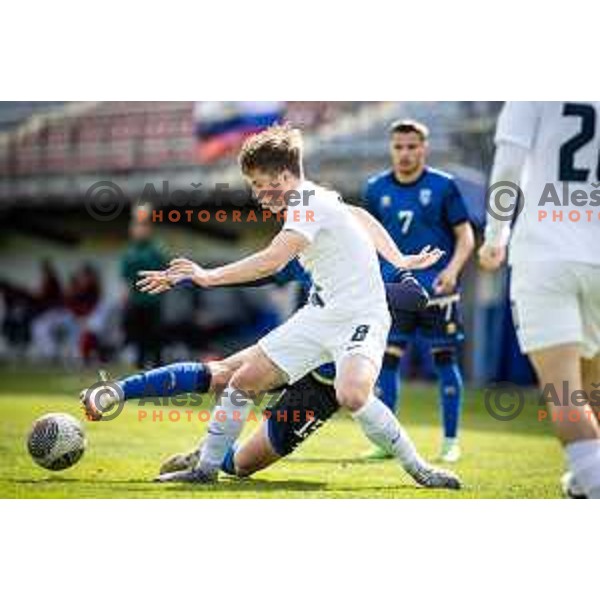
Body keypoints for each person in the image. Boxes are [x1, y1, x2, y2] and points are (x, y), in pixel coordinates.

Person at [133, 123, 447, 485]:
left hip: (362, 316)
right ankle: (204, 470)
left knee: (352, 393)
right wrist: (399, 258)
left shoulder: (306, 206)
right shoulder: (316, 197)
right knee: (242, 381)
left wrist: (206, 276)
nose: (257, 194)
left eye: (258, 183)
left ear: (283, 176)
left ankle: (420, 468)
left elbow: (273, 260)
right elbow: (360, 217)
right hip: (320, 315)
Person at [80, 272, 461, 489]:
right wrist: (198, 277)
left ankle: (209, 455)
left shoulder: (370, 253)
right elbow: (262, 269)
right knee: (224, 374)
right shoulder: (304, 248)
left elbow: (415, 297)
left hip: (322, 388)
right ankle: (115, 391)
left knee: (243, 467)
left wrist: (359, 292)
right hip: (300, 346)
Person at [479, 101, 600, 498]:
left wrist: (496, 237)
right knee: (591, 389)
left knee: (564, 394)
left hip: (544, 256)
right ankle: (583, 482)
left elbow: (508, 169)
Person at [363, 120, 474, 462]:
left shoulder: (444, 186)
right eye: (399, 147)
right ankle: (386, 443)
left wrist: (452, 271)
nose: (405, 153)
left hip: (438, 292)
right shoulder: (375, 188)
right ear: (391, 148)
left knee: (444, 361)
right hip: (395, 291)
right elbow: (367, 240)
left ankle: (451, 441)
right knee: (387, 363)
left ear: (423, 148)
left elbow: (466, 235)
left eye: (412, 147)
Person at [120, 211, 167, 368]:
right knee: (138, 336)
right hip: (136, 300)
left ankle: (158, 365)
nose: (139, 231)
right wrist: (125, 295)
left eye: (143, 227)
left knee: (155, 335)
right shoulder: (130, 252)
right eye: (136, 227)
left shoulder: (155, 250)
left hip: (153, 299)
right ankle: (139, 365)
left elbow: (165, 272)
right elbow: (126, 277)